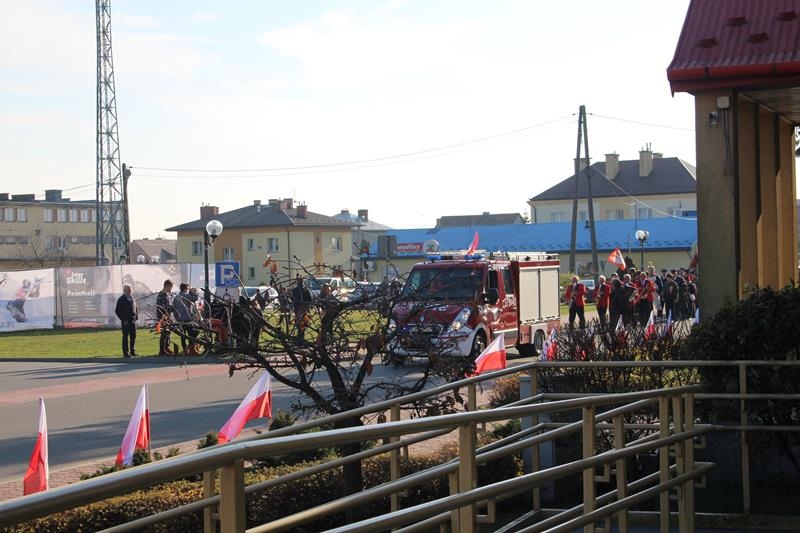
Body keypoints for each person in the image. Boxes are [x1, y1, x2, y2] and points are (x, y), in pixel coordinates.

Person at [173, 283, 199, 355]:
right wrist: (192, 292)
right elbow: (195, 298)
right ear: (185, 289)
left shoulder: (176, 298)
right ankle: (191, 349)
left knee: (183, 336)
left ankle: (185, 350)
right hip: (188, 319)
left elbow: (174, 309)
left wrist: (176, 317)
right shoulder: (186, 295)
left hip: (180, 319)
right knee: (191, 335)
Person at [115, 283, 138, 358]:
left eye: (130, 289)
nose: (130, 291)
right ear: (124, 290)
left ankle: (132, 351)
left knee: (133, 336)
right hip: (126, 322)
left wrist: (136, 318)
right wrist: (123, 319)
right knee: (125, 337)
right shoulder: (121, 299)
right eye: (128, 289)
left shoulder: (132, 298)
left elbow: (135, 308)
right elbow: (117, 311)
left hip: (133, 321)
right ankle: (126, 353)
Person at [156, 279, 175, 355]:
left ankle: (166, 347)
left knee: (168, 332)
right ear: (167, 286)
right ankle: (162, 349)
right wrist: (170, 308)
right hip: (163, 317)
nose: (171, 289)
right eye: (171, 287)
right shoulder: (162, 294)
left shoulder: (167, 294)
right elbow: (160, 306)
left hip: (167, 316)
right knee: (164, 332)